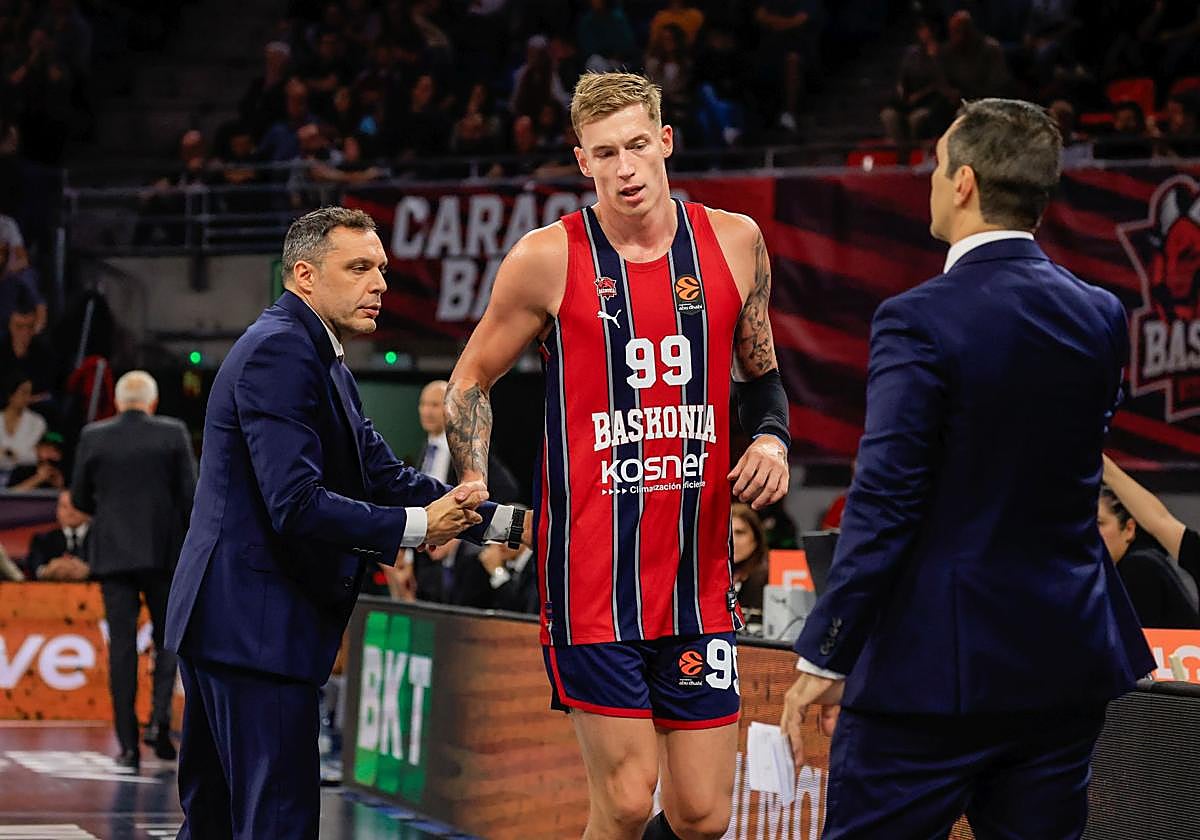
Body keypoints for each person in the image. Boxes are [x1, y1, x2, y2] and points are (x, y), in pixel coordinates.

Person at [779, 99, 1155, 840]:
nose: (929, 178)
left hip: (929, 677)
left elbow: (885, 501)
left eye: (938, 164)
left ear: (964, 183)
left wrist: (827, 650)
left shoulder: (918, 318)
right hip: (1063, 661)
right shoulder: (1101, 313)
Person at [444, 72, 791, 840]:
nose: (626, 167)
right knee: (629, 801)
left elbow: (763, 377)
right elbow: (470, 379)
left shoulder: (735, 241)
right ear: (582, 161)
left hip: (698, 579)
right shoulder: (545, 258)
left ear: (666, 141)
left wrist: (772, 437)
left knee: (702, 816)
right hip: (591, 583)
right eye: (606, 153)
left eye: (638, 145)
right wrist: (473, 473)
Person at [163, 207, 525, 839]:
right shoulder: (283, 350)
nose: (379, 283)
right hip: (256, 633)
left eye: (382, 268)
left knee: (219, 822)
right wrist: (418, 527)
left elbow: (383, 474)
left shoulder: (315, 353)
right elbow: (296, 502)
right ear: (304, 275)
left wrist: (507, 525)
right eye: (358, 268)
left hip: (235, 626)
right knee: (273, 824)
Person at [69, 371, 196, 769]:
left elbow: (78, 498)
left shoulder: (94, 435)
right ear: (152, 403)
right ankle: (159, 722)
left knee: (121, 651)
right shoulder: (173, 433)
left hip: (113, 558)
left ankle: (126, 745)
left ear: (118, 403)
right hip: (163, 555)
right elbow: (190, 496)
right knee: (168, 640)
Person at [1102, 454, 1200, 586]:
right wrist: (1099, 461)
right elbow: (1159, 520)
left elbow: (1160, 521)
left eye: (1099, 523)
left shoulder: (1141, 566)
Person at [26, 489, 90, 581]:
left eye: (75, 506)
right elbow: (35, 568)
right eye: (64, 507)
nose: (70, 512)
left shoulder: (103, 540)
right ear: (57, 512)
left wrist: (89, 571)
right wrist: (48, 570)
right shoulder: (42, 540)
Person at [0, 370, 46, 486]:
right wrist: (14, 455)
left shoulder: (37, 422)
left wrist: (7, 452)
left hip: (23, 478)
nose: (27, 398)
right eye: (23, 392)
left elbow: (32, 457)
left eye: (29, 393)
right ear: (11, 394)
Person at [731, 503, 768, 632]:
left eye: (739, 533)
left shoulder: (770, 579)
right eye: (726, 532)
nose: (731, 540)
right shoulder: (702, 579)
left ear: (755, 540)